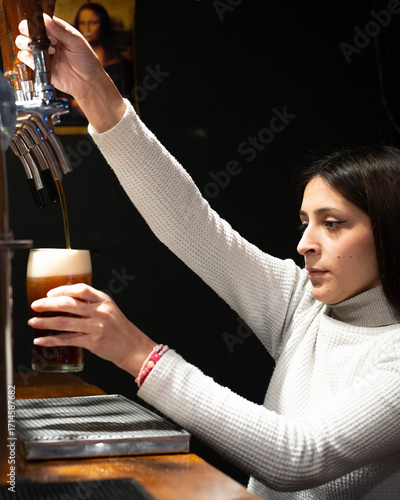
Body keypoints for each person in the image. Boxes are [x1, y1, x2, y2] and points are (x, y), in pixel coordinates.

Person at [16, 15, 400, 500]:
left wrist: (139, 355)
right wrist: (96, 94)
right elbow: (189, 223)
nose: (304, 244)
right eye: (305, 223)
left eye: (333, 223)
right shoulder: (304, 303)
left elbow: (299, 457)